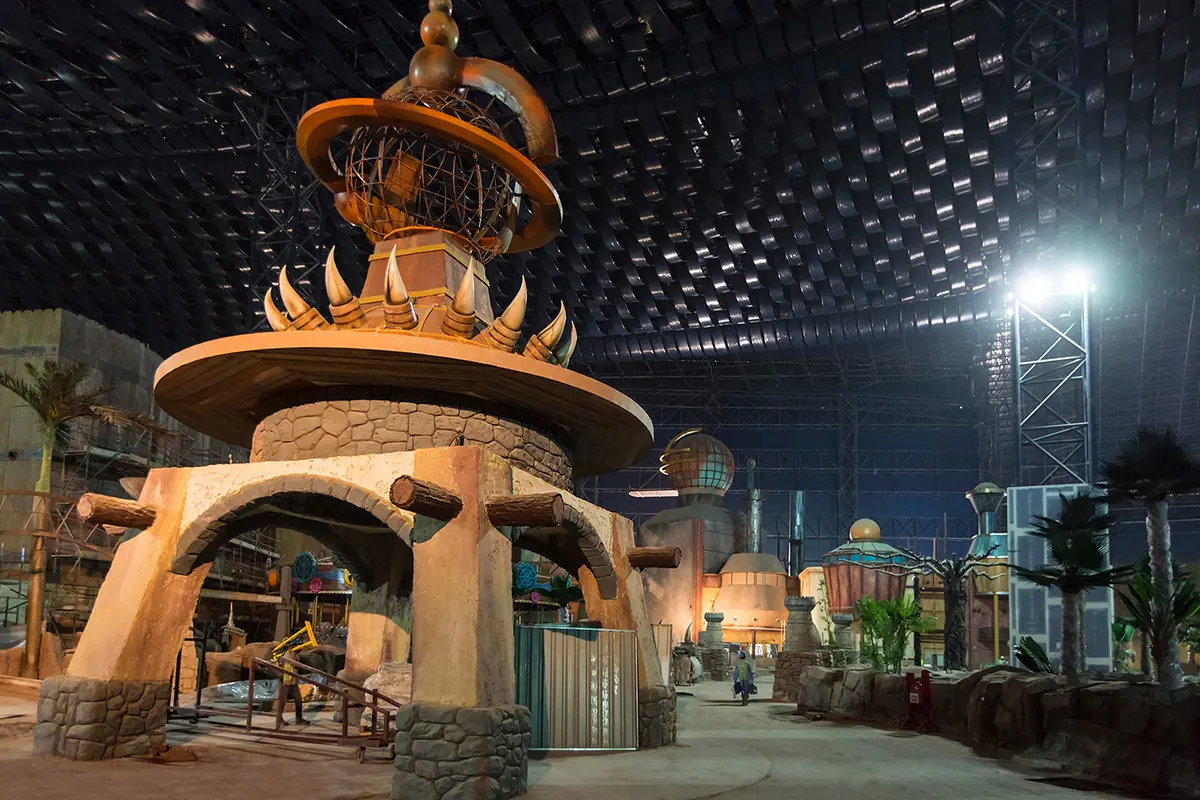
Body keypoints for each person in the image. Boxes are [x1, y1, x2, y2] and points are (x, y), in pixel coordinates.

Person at [275, 644, 308, 726]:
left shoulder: (295, 654)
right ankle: (279, 719)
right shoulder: (288, 654)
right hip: (286, 681)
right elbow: (294, 664)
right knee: (282, 701)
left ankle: (299, 718)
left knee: (298, 699)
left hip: (293, 681)